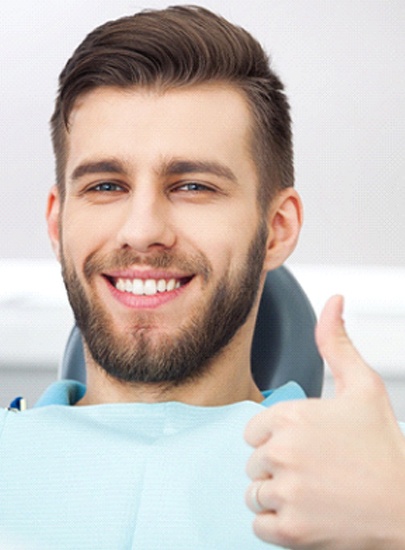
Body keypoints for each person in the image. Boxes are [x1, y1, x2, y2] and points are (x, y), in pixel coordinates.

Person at [0, 5, 404, 549]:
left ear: (277, 229)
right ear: (57, 222)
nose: (142, 231)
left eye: (193, 186)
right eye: (105, 186)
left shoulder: (381, 477)